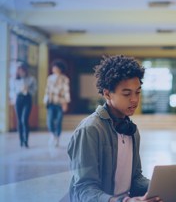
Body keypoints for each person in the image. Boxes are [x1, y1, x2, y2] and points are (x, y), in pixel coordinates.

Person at [67, 55, 161, 202]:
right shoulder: (89, 130)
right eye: (126, 93)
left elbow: (135, 179)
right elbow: (84, 189)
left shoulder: (131, 130)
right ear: (107, 93)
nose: (135, 99)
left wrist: (161, 187)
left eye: (137, 92)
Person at [43, 61, 70, 147]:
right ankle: (52, 135)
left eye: (56, 67)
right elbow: (47, 90)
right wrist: (45, 101)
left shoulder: (65, 79)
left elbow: (66, 91)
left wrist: (65, 103)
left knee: (58, 121)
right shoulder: (50, 78)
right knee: (49, 121)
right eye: (53, 67)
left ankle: (57, 138)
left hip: (60, 103)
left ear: (60, 68)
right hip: (51, 103)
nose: (54, 69)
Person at [14, 63, 37, 148]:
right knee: (19, 121)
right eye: (19, 71)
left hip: (27, 100)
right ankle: (20, 140)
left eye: (22, 71)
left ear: (25, 71)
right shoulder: (16, 80)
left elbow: (34, 91)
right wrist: (19, 90)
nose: (21, 73)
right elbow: (13, 90)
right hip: (18, 100)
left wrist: (27, 89)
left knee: (24, 120)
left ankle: (26, 140)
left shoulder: (31, 79)